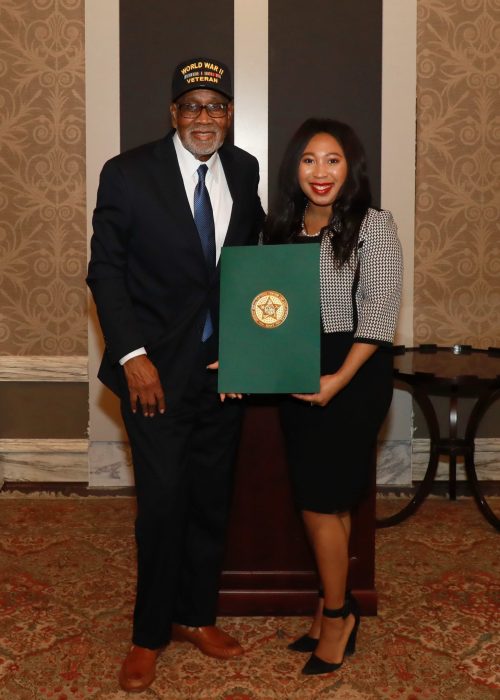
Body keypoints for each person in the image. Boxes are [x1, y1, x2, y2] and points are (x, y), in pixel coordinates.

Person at [87, 57, 264, 693]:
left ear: (229, 114)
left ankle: (195, 615)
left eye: (216, 106)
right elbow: (105, 272)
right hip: (154, 373)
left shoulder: (244, 170)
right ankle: (148, 633)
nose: (205, 118)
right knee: (161, 506)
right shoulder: (128, 174)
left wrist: (248, 348)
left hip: (223, 372)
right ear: (172, 114)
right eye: (192, 106)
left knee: (211, 498)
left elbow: (249, 265)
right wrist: (133, 358)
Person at [264, 118, 402, 676]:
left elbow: (380, 310)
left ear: (352, 168)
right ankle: (329, 607)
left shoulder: (374, 225)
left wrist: (337, 381)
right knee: (324, 501)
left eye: (333, 160)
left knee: (323, 503)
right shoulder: (279, 230)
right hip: (299, 368)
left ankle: (341, 616)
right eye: (309, 160)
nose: (321, 173)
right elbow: (266, 309)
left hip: (354, 372)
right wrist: (244, 354)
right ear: (293, 169)